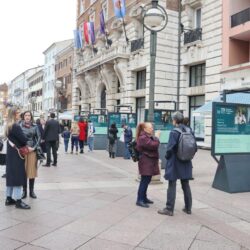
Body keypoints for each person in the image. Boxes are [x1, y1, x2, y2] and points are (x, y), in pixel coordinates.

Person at [158, 111, 193, 216]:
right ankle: (188, 208)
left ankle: (169, 208)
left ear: (175, 120)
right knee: (185, 184)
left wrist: (167, 157)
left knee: (172, 184)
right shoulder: (189, 130)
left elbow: (170, 149)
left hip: (175, 161)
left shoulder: (174, 132)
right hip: (186, 161)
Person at [5, 107, 32, 209]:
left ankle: (8, 198)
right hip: (17, 155)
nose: (20, 115)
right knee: (17, 177)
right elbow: (24, 139)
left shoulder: (7, 126)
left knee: (11, 176)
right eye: (18, 113)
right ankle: (18, 200)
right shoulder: (15, 126)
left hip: (11, 154)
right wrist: (27, 137)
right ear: (14, 115)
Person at [135, 123, 160, 208]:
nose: (152, 129)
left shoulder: (146, 136)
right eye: (150, 127)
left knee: (147, 180)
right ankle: (140, 200)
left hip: (148, 161)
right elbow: (154, 145)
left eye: (152, 127)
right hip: (145, 162)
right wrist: (157, 137)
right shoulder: (143, 138)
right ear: (145, 129)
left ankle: (144, 198)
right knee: (144, 181)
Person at [20, 111, 41, 199]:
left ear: (31, 117)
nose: (27, 117)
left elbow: (39, 137)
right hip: (23, 151)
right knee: (23, 172)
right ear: (23, 117)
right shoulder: (19, 126)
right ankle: (24, 191)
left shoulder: (35, 126)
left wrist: (34, 147)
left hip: (32, 150)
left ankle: (31, 191)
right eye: (26, 115)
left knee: (32, 171)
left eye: (29, 115)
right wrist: (22, 147)